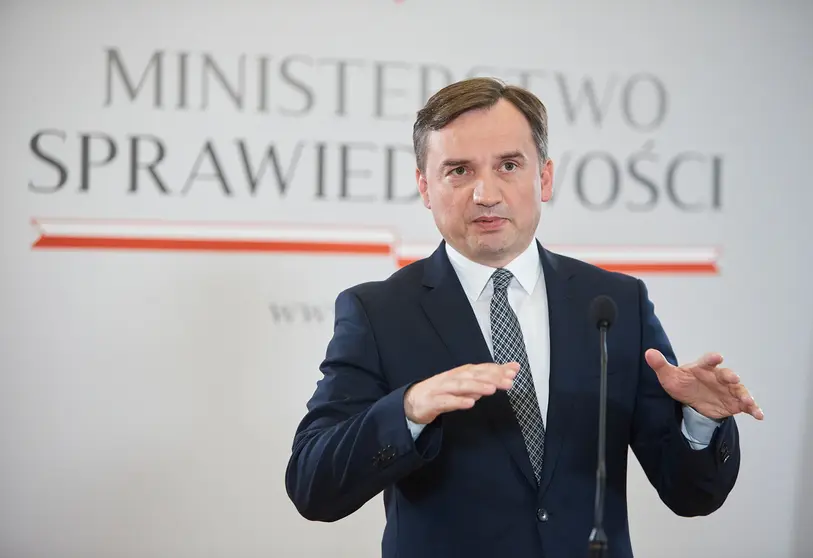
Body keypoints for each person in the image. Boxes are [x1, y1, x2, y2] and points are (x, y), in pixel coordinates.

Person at [284, 77, 763, 558]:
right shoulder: (377, 312)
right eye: (458, 171)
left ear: (545, 178)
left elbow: (691, 494)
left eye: (509, 165)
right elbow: (312, 486)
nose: (485, 193)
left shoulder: (616, 303)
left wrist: (700, 421)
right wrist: (406, 409)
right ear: (424, 187)